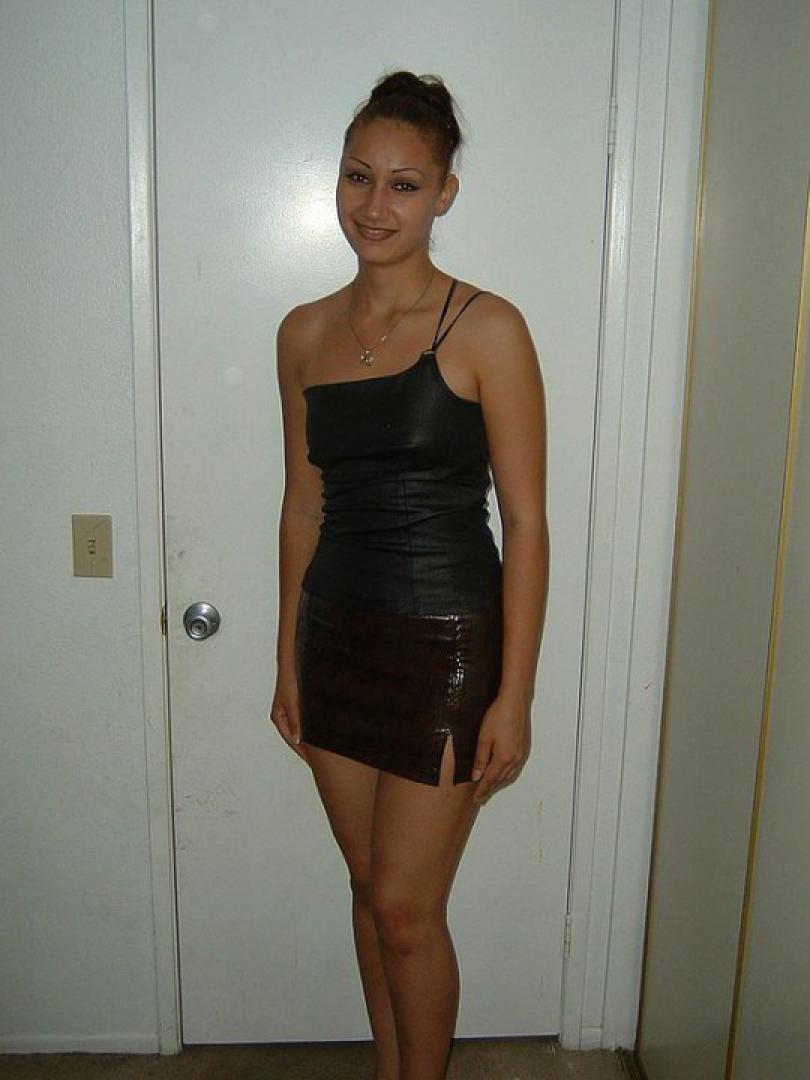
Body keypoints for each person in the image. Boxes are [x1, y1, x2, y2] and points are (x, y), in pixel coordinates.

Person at [271, 70, 549, 1080]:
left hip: (446, 647)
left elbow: (525, 523)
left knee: (404, 908)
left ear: (444, 194)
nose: (374, 205)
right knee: (366, 887)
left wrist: (514, 696)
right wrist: (285, 660)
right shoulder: (302, 333)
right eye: (358, 177)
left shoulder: (487, 328)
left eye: (403, 184)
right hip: (334, 636)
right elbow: (303, 506)